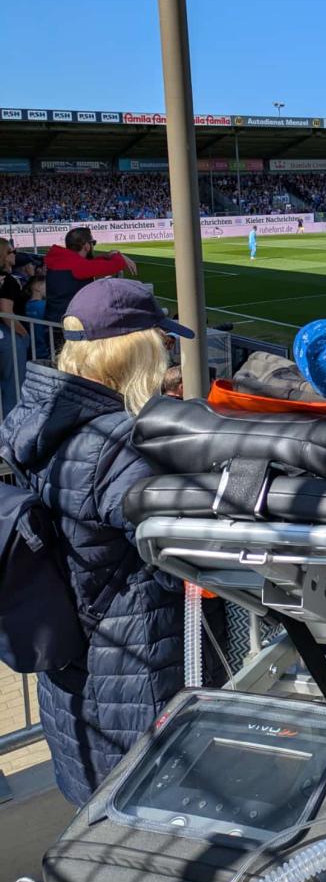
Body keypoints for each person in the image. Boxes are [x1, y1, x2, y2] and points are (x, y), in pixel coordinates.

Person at [0, 279, 206, 806]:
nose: (167, 355)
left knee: (98, 817)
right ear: (136, 352)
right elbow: (188, 558)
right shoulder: (118, 445)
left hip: (71, 678)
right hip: (140, 679)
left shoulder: (31, 423)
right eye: (161, 343)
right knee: (151, 822)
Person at [44, 226, 138, 325]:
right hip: (69, 325)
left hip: (54, 320)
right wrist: (116, 253)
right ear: (86, 246)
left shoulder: (63, 261)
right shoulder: (78, 266)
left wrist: (108, 255)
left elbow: (90, 264)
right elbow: (117, 265)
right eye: (93, 243)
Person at [0, 239, 29, 415]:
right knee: (14, 386)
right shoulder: (8, 280)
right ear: (4, 255)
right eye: (12, 251)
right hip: (9, 338)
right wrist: (24, 334)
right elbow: (6, 313)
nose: (15, 255)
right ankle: (12, 423)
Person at [23, 273, 51, 361]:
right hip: (45, 352)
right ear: (37, 287)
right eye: (47, 285)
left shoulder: (25, 305)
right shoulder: (45, 305)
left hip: (29, 351)